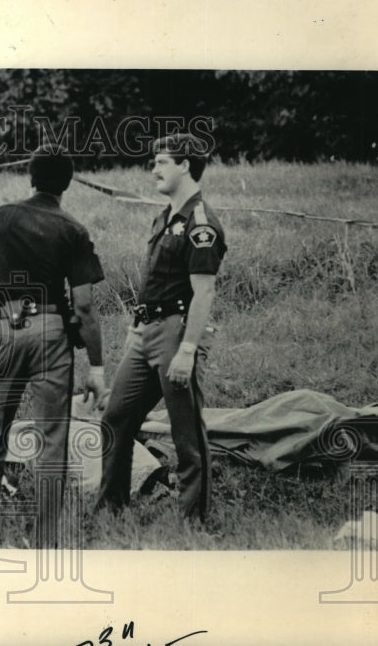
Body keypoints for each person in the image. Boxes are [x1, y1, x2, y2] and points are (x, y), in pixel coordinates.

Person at [0, 144, 108, 548]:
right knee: (52, 442)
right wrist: (97, 367)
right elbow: (85, 306)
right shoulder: (73, 229)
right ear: (69, 183)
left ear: (30, 175)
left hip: (3, 329)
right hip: (51, 331)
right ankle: (44, 543)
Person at [96, 133, 226, 525]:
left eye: (161, 162)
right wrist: (135, 327)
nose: (153, 168)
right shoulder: (166, 214)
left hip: (176, 330)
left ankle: (193, 519)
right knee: (115, 418)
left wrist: (187, 350)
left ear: (185, 165)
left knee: (186, 431)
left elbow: (204, 292)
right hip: (146, 331)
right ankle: (111, 507)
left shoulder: (200, 222)